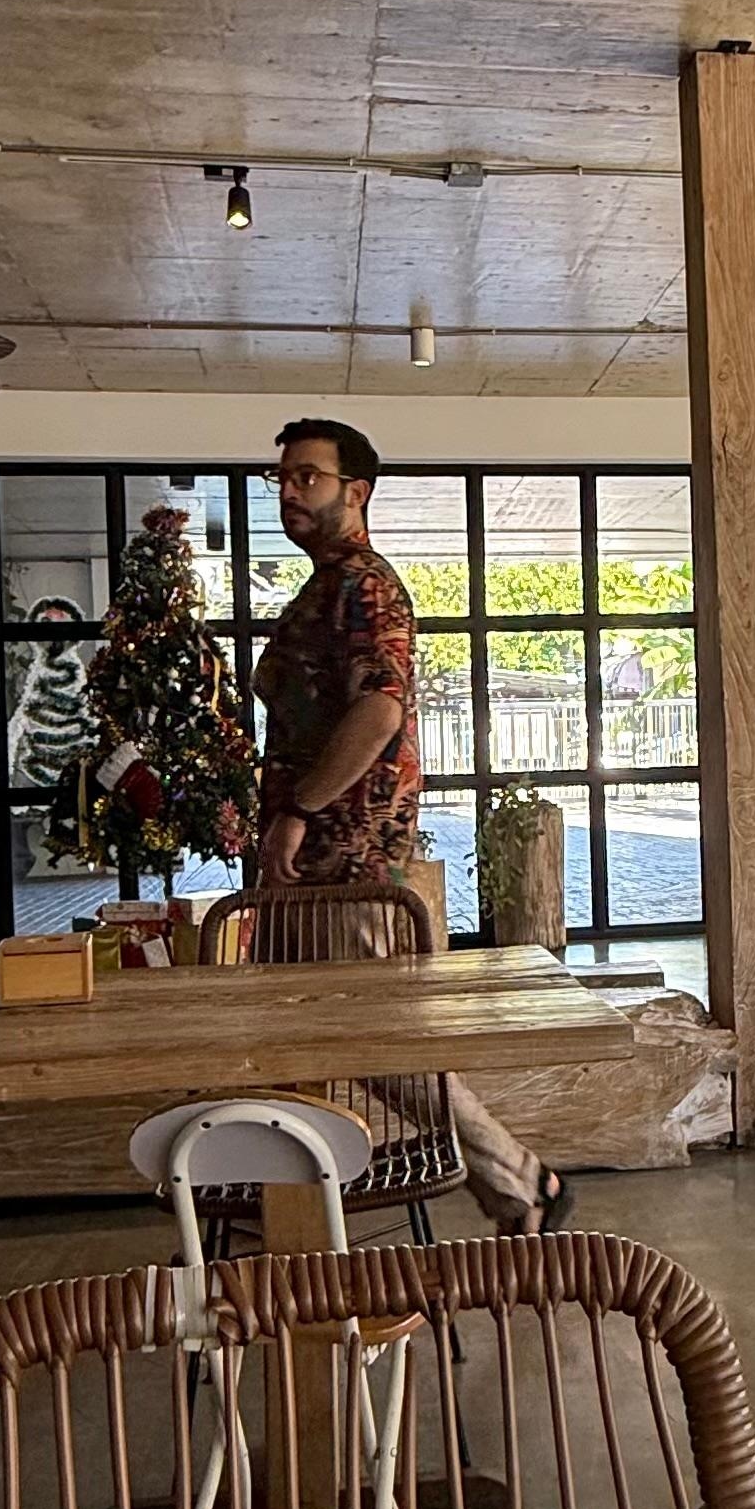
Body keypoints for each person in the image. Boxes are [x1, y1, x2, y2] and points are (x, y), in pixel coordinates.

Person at [253, 420, 568, 1232]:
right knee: (315, 1034)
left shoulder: (365, 586)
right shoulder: (324, 587)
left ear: (356, 492)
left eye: (308, 477)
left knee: (367, 1037)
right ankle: (294, 1209)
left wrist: (299, 811)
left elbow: (379, 712)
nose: (289, 492)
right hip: (309, 865)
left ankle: (517, 1173)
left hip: (343, 860)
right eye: (282, 478)